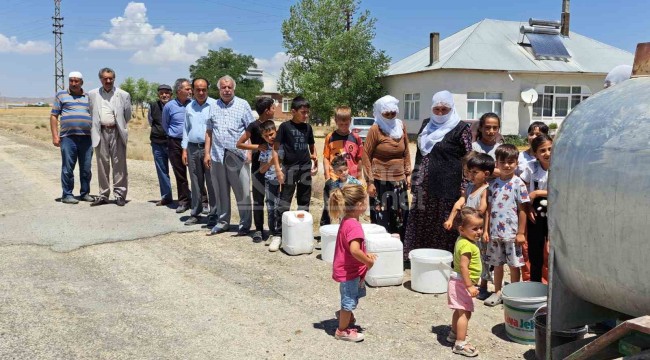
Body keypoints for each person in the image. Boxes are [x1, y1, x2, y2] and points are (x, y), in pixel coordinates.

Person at [403, 91, 472, 259]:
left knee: (444, 223)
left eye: (445, 109)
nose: (440, 113)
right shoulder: (427, 124)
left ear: (452, 108)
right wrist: (415, 175)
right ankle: (416, 258)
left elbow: (468, 158)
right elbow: (420, 152)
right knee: (420, 221)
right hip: (423, 185)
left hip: (448, 185)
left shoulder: (461, 128)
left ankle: (442, 259)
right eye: (437, 109)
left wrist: (464, 186)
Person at [204, 75, 255, 237]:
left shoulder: (243, 104)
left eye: (229, 87)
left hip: (237, 155)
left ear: (234, 88)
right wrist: (207, 153)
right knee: (220, 191)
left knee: (243, 192)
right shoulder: (213, 106)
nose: (226, 90)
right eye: (223, 87)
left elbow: (251, 129)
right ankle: (222, 222)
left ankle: (245, 224)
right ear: (219, 89)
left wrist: (249, 151)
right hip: (218, 154)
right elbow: (209, 131)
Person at [483, 144, 530, 306]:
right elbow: (489, 209)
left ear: (516, 163)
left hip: (512, 234)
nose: (507, 165)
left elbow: (523, 210)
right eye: (503, 162)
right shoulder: (493, 184)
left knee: (514, 265)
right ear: (497, 163)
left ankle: (513, 293)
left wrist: (521, 233)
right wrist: (486, 229)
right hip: (495, 233)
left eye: (511, 162)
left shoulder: (519, 184)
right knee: (496, 264)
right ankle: (497, 292)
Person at [269, 96, 318, 250]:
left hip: (305, 169)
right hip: (289, 169)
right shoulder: (284, 127)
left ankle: (301, 233)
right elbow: (275, 149)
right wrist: (278, 169)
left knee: (304, 202)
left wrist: (315, 163)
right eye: (303, 112)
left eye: (307, 112)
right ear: (294, 111)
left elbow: (312, 147)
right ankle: (278, 234)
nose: (306, 115)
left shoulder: (308, 128)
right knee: (284, 202)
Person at [329, 183, 376, 342]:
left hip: (345, 268)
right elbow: (354, 250)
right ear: (359, 205)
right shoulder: (355, 225)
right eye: (365, 201)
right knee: (349, 300)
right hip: (350, 271)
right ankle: (342, 330)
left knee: (350, 296)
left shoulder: (347, 220)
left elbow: (352, 247)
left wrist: (365, 253)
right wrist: (367, 261)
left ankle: (345, 316)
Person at [443, 153, 494, 300]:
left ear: (485, 174)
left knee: (482, 257)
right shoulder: (469, 186)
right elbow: (459, 202)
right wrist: (451, 219)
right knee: (465, 255)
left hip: (477, 229)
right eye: (469, 172)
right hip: (467, 230)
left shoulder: (485, 189)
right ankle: (467, 281)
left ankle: (482, 285)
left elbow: (485, 210)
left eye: (474, 172)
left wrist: (484, 230)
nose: (471, 175)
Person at [362, 95, 411, 239]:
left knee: (400, 216)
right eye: (386, 113)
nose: (390, 116)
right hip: (379, 181)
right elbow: (366, 155)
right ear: (379, 113)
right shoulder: (375, 129)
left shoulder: (401, 126)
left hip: (399, 181)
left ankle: (399, 249)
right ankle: (381, 249)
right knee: (381, 217)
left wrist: (408, 174)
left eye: (393, 113)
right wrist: (370, 182)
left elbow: (406, 151)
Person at [88, 67, 132, 207]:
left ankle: (120, 195)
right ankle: (103, 195)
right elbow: (91, 111)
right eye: (105, 78)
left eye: (110, 78)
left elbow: (127, 115)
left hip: (117, 132)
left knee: (119, 164)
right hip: (100, 132)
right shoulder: (92, 94)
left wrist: (118, 125)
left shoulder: (123, 94)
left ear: (114, 78)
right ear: (100, 79)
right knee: (102, 165)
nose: (108, 81)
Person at [50, 71, 94, 204]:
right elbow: (53, 116)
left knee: (86, 168)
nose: (73, 83)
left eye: (76, 81)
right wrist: (55, 136)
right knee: (68, 168)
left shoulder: (89, 97)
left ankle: (85, 193)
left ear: (82, 82)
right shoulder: (61, 95)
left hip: (87, 138)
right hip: (68, 138)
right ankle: (67, 194)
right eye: (71, 81)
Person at [236, 97, 276, 242]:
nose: (274, 110)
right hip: (257, 169)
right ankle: (258, 229)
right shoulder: (253, 126)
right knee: (258, 199)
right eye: (273, 108)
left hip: (272, 168)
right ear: (266, 111)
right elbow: (239, 144)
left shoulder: (272, 125)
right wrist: (257, 147)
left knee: (273, 200)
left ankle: (274, 230)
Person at [446, 207, 483, 357]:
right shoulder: (467, 245)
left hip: (457, 281)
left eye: (480, 227)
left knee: (459, 309)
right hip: (462, 283)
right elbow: (463, 266)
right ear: (461, 229)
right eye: (475, 228)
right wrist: (469, 286)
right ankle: (460, 344)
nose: (479, 231)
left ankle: (454, 334)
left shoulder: (462, 240)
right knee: (465, 313)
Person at [182, 78, 217, 226]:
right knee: (195, 182)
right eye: (198, 89)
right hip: (192, 148)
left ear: (207, 89)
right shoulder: (189, 107)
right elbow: (186, 129)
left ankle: (214, 214)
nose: (201, 92)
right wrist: (184, 149)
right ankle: (195, 213)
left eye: (204, 89)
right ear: (193, 90)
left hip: (210, 149)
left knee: (212, 182)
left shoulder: (215, 105)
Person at [321, 106, 363, 226]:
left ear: (350, 121)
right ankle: (326, 229)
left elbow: (359, 159)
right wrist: (327, 176)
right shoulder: (330, 137)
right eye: (341, 123)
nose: (344, 126)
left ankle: (351, 228)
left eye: (346, 123)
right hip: (334, 178)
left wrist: (359, 177)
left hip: (350, 180)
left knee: (351, 206)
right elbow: (326, 157)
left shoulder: (356, 138)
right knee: (331, 204)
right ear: (336, 121)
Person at [520, 134, 552, 283]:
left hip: (555, 213)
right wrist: (527, 206)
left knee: (554, 251)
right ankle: (535, 284)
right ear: (536, 154)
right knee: (535, 251)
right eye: (542, 150)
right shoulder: (531, 168)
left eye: (550, 149)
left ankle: (555, 286)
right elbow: (521, 187)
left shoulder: (561, 168)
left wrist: (538, 192)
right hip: (536, 213)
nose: (547, 153)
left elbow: (563, 191)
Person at [163, 78, 193, 213]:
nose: (190, 91)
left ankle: (201, 201)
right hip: (175, 142)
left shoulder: (193, 104)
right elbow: (165, 124)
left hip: (192, 143)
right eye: (187, 89)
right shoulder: (169, 106)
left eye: (190, 88)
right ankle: (183, 201)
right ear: (179, 90)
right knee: (180, 173)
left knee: (196, 173)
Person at [256, 120, 283, 249]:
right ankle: (272, 233)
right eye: (266, 136)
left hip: (282, 181)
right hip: (269, 181)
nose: (270, 138)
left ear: (276, 131)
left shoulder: (282, 147)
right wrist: (271, 163)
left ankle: (282, 233)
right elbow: (261, 170)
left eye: (272, 134)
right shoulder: (264, 150)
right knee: (271, 208)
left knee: (281, 208)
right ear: (262, 137)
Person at [148, 84, 173, 206]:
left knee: (180, 171)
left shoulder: (176, 105)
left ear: (171, 94)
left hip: (173, 143)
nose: (164, 95)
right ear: (158, 94)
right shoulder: (153, 106)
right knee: (162, 171)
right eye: (162, 93)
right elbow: (150, 121)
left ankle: (185, 198)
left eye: (167, 93)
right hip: (157, 143)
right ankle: (166, 197)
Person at [322, 155, 363, 224]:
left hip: (353, 209)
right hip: (342, 211)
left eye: (345, 169)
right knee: (343, 224)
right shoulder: (334, 185)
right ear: (335, 172)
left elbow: (361, 194)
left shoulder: (355, 182)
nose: (344, 173)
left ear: (348, 168)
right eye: (340, 171)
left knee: (354, 224)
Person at [471, 113, 502, 177]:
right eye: (487, 127)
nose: (491, 131)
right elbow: (471, 169)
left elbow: (504, 172)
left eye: (495, 128)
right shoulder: (473, 148)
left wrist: (481, 168)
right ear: (480, 128)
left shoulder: (501, 149)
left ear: (498, 129)